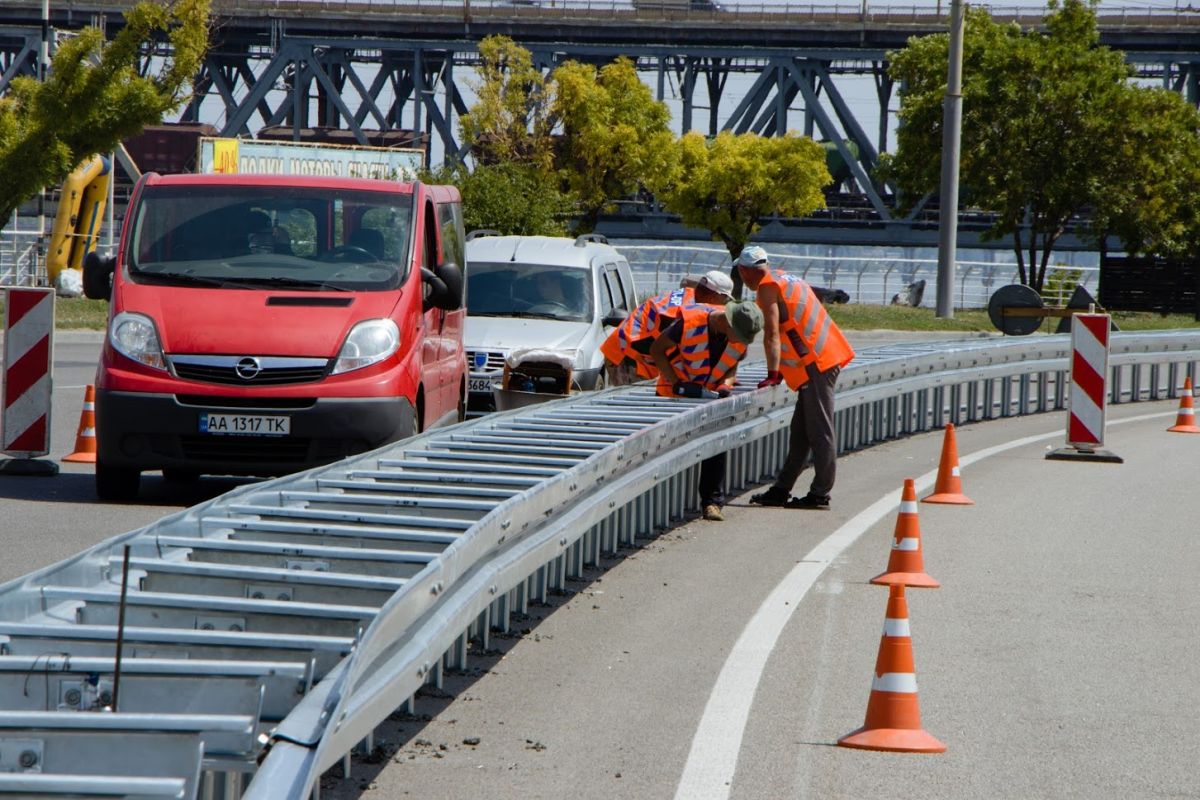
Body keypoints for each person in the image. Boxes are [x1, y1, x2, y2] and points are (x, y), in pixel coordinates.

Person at [736, 244, 856, 510]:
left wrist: (772, 373)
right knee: (801, 432)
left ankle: (820, 493)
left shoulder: (768, 288)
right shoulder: (787, 278)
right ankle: (781, 490)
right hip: (823, 356)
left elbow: (771, 333)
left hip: (816, 362)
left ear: (745, 271)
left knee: (820, 430)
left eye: (741, 273)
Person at [650, 300, 764, 522]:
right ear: (727, 323)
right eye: (738, 335)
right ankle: (661, 508)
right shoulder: (688, 325)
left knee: (716, 446)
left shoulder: (740, 334)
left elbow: (732, 365)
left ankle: (712, 503)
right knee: (668, 450)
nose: (740, 341)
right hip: (675, 395)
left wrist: (727, 383)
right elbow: (657, 350)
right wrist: (677, 383)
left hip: (708, 396)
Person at [600, 270, 734, 386]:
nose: (723, 305)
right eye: (724, 300)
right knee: (637, 408)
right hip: (626, 356)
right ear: (714, 295)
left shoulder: (689, 295)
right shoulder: (688, 312)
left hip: (631, 351)